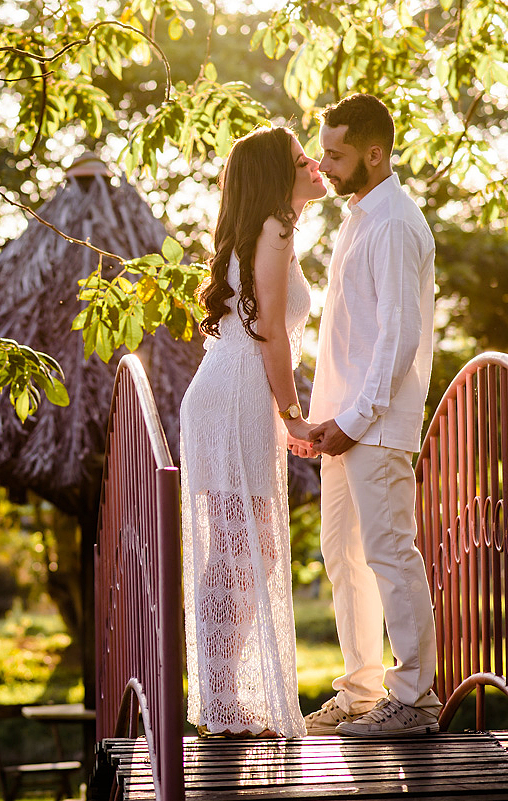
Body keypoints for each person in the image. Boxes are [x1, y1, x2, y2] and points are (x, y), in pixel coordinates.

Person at [299, 94, 441, 737]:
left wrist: (354, 420)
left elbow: (398, 338)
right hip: (344, 423)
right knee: (342, 557)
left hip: (375, 426)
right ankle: (359, 692)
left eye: (336, 154)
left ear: (375, 153)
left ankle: (414, 700)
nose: (324, 164)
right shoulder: (358, 215)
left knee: (389, 553)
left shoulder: (395, 223)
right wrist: (324, 419)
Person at [180, 126, 325, 738]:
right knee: (243, 546)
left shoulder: (278, 230)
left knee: (248, 546)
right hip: (237, 392)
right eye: (300, 159)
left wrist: (282, 410)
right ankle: (222, 700)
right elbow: (270, 328)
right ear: (275, 175)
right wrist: (293, 414)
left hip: (235, 390)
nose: (314, 163)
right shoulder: (273, 228)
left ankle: (225, 696)